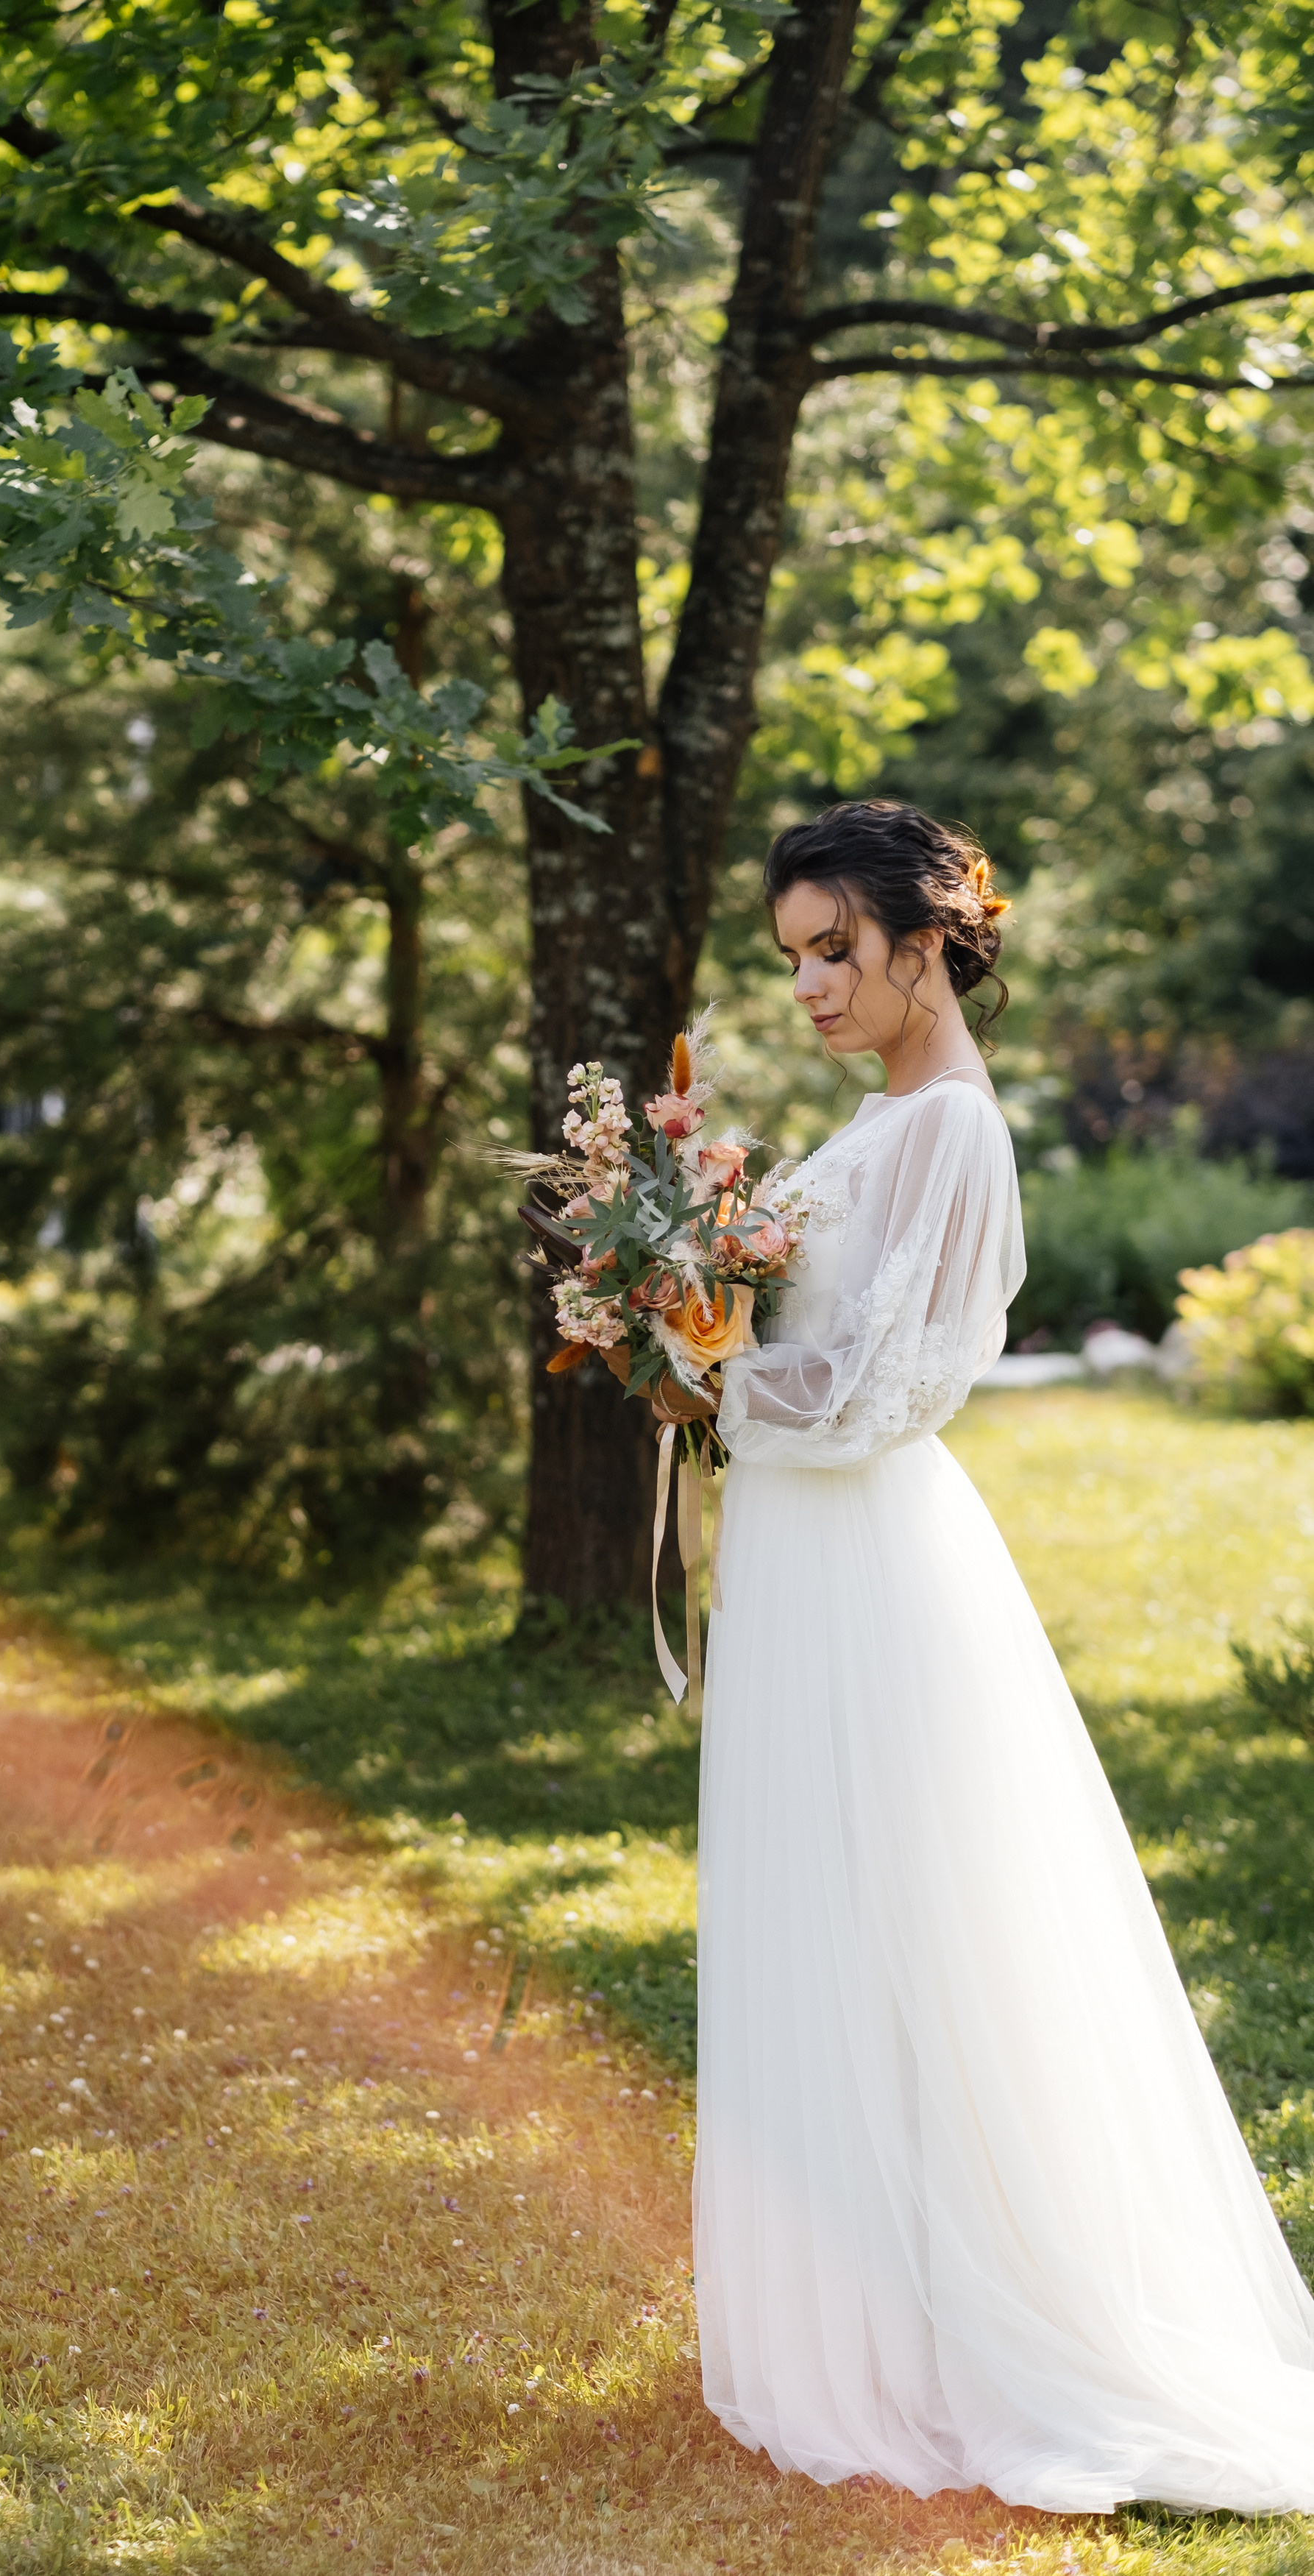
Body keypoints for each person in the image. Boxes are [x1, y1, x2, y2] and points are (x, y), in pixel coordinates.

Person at [695, 799, 1314, 2511]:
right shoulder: (878, 1118)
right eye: (794, 959)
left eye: (835, 951)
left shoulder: (951, 1127)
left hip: (876, 1545)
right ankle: (868, 2294)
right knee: (836, 1906)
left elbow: (894, 1387)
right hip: (811, 1545)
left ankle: (976, 2315)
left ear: (923, 942)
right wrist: (693, 1317)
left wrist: (695, 1369)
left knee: (922, 1909)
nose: (812, 986)